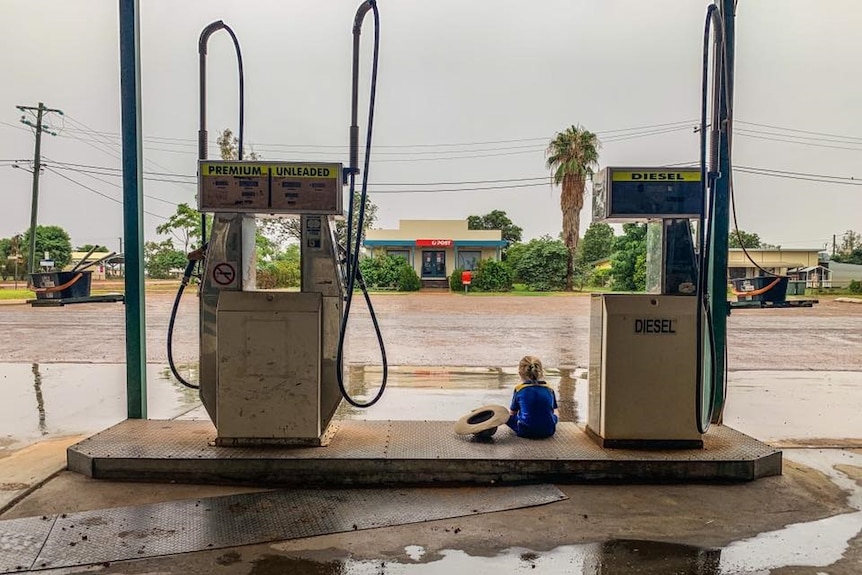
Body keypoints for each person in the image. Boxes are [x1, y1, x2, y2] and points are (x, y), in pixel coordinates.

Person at [506, 355, 559, 439]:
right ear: (540, 371)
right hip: (549, 431)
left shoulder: (519, 389)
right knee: (555, 412)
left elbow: (512, 413)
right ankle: (545, 424)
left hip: (524, 431)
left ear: (520, 373)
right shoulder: (549, 389)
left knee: (505, 415)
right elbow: (554, 410)